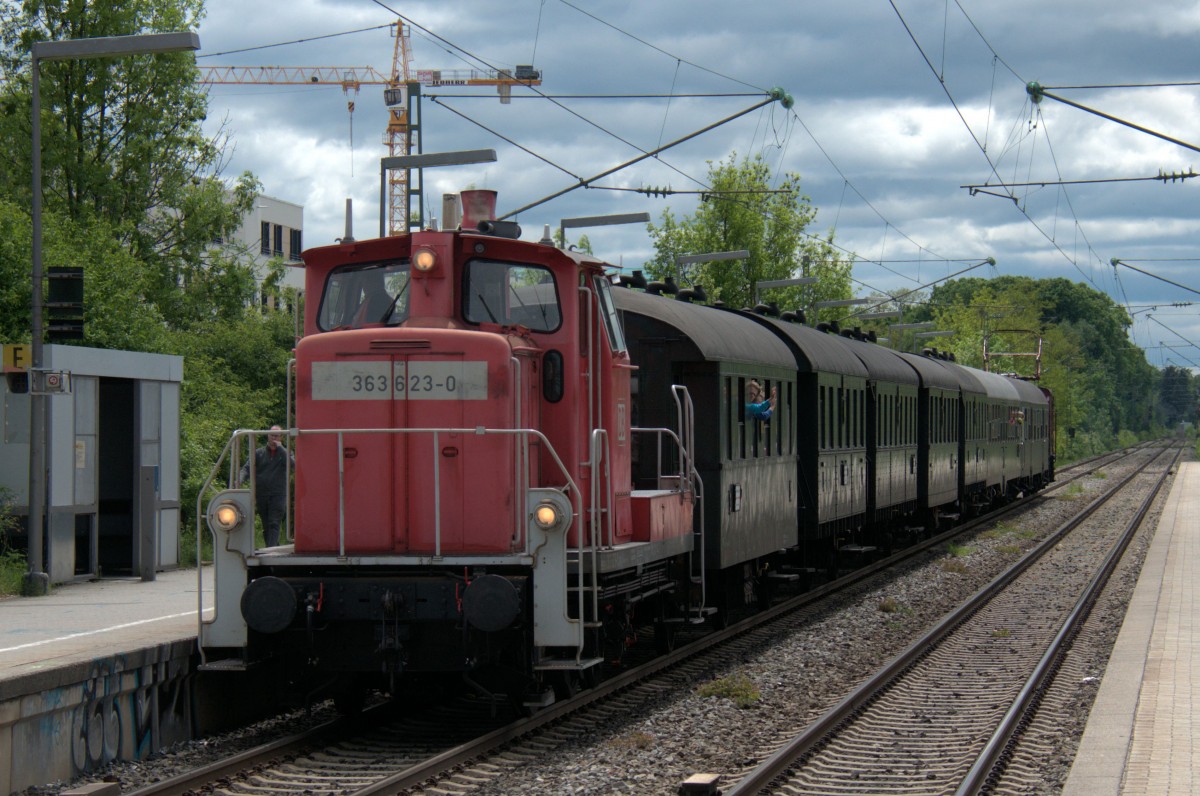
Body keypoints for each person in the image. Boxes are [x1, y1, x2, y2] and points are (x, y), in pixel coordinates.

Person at [238, 425, 295, 547]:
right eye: (271, 434)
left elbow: (293, 465)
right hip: (261, 494)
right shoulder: (259, 453)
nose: (274, 437)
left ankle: (271, 550)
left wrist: (281, 448)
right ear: (268, 436)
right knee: (266, 526)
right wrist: (239, 479)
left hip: (278, 494)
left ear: (281, 437)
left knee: (274, 523)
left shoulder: (286, 453)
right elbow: (247, 468)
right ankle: (274, 548)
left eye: (277, 435)